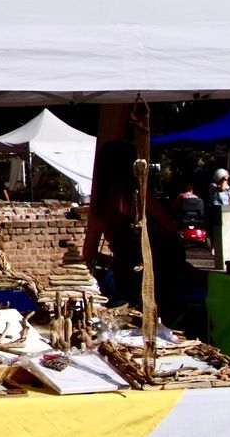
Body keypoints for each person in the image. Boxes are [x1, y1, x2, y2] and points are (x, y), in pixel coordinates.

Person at [81, 138, 200, 327]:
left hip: (124, 273)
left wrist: (114, 259)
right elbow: (169, 227)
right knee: (156, 327)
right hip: (155, 273)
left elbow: (88, 253)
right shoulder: (139, 196)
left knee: (127, 325)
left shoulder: (100, 203)